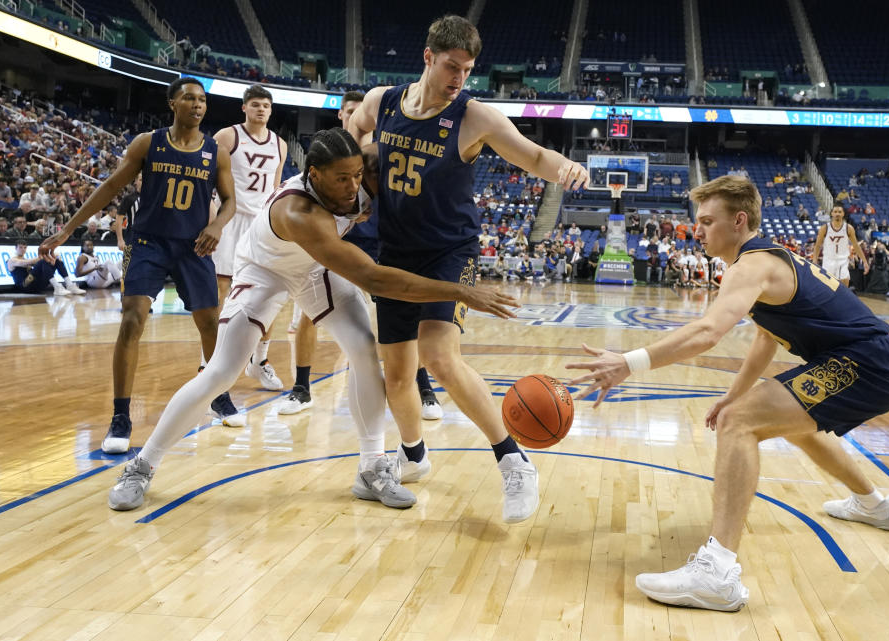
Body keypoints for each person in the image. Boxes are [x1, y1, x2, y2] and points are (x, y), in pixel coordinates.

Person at [106, 130, 518, 512]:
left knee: (362, 347)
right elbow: (373, 278)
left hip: (313, 269)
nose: (353, 186)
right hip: (265, 269)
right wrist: (461, 290)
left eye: (357, 175)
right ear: (314, 175)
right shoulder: (299, 211)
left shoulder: (365, 168)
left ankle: (371, 467)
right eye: (341, 179)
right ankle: (142, 465)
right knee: (221, 372)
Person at [567, 175, 889, 612]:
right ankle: (873, 504)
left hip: (868, 364)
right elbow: (766, 338)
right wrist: (733, 394)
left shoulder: (752, 265)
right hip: (868, 359)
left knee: (740, 423)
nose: (699, 230)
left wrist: (627, 363)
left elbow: (708, 331)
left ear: (739, 221)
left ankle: (718, 575)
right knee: (782, 422)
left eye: (708, 221)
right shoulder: (763, 262)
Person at [348, 14, 589, 522]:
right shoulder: (382, 102)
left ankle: (514, 460)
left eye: (468, 69)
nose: (459, 77)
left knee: (437, 354)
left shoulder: (474, 116)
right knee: (396, 374)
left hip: (453, 253)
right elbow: (353, 134)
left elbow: (535, 155)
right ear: (428, 57)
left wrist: (565, 167)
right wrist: (357, 175)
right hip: (394, 251)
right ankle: (413, 454)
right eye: (452, 66)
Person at [39, 77, 243, 455]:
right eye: (189, 98)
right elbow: (110, 188)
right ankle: (121, 416)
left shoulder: (217, 152)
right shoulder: (148, 143)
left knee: (210, 322)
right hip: (148, 242)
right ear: (172, 104)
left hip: (193, 246)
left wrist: (217, 225)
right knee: (132, 319)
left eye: (202, 100)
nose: (197, 105)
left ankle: (219, 394)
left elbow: (230, 201)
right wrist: (68, 229)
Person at [283, 90, 445, 421]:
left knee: (405, 315)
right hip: (336, 242)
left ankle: (423, 387)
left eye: (359, 110)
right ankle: (301, 388)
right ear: (341, 116)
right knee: (307, 314)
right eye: (349, 111)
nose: (354, 115)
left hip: (381, 241)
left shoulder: (379, 155)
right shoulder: (329, 156)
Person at [210, 85, 287, 392]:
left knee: (271, 293)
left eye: (266, 105)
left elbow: (277, 188)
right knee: (222, 290)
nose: (261, 109)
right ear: (244, 108)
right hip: (230, 219)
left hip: (261, 225)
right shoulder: (227, 136)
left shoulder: (280, 145)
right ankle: (217, 360)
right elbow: (208, 177)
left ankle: (260, 360)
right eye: (255, 104)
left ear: (271, 110)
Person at [810, 205, 869, 288]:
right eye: (835, 212)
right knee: (828, 288)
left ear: (843, 214)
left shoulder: (849, 228)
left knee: (844, 288)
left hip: (843, 261)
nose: (837, 214)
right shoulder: (825, 228)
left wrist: (865, 261)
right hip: (828, 260)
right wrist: (814, 260)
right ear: (832, 214)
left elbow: (856, 246)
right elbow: (817, 245)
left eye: (839, 212)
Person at [6, 239, 83, 295]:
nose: (23, 249)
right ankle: (57, 287)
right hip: (24, 286)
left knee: (57, 261)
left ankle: (69, 285)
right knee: (42, 261)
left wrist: (53, 258)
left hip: (35, 285)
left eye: (25, 247)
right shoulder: (12, 260)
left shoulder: (26, 259)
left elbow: (41, 264)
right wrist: (47, 256)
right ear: (15, 248)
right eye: (20, 247)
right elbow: (27, 263)